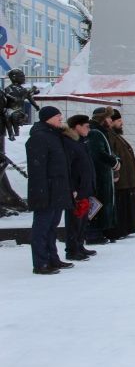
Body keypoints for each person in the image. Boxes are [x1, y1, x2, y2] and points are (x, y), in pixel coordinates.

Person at [26, 106, 73, 274]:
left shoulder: (54, 135)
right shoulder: (39, 137)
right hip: (46, 191)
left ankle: (53, 258)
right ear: (48, 118)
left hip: (58, 190)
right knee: (42, 228)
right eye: (58, 116)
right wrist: (41, 193)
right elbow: (37, 169)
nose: (61, 118)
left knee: (52, 227)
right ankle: (40, 263)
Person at [62, 114, 97, 261]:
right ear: (77, 126)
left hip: (85, 187)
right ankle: (72, 249)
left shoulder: (81, 142)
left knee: (82, 220)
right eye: (86, 126)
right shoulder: (69, 143)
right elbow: (68, 168)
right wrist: (73, 187)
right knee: (74, 220)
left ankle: (79, 245)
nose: (89, 129)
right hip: (77, 188)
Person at [106, 109, 135, 239]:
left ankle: (126, 228)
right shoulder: (110, 136)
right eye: (119, 121)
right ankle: (120, 229)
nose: (122, 123)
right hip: (121, 181)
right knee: (121, 207)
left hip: (126, 180)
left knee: (127, 206)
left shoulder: (116, 136)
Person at [87, 107, 121, 244]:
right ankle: (94, 233)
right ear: (102, 118)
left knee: (102, 203)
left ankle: (100, 231)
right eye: (108, 118)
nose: (110, 120)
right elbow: (99, 153)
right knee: (98, 203)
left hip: (103, 174)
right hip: (99, 175)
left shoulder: (101, 132)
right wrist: (114, 163)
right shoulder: (95, 133)